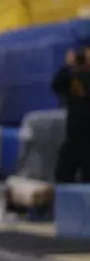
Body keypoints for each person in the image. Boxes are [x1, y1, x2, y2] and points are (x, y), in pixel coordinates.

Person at [52, 47, 90, 182]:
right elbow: (56, 84)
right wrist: (67, 66)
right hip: (73, 137)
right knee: (62, 174)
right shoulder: (73, 78)